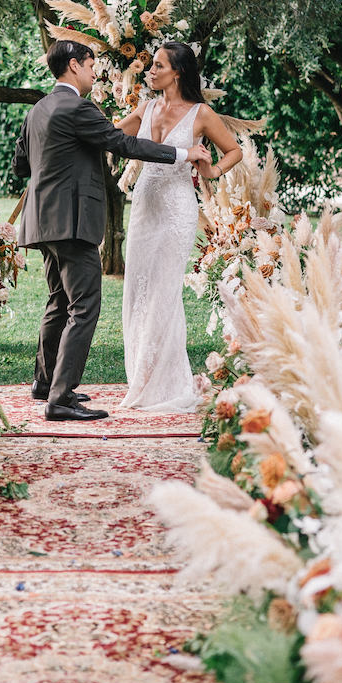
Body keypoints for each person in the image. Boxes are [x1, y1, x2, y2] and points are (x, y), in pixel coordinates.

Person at [14, 39, 211, 421]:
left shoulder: (38, 109)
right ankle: (61, 397)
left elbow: (22, 165)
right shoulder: (78, 108)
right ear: (73, 66)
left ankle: (44, 383)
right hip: (72, 220)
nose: (93, 73)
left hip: (41, 221)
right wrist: (185, 153)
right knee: (84, 306)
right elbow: (122, 143)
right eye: (90, 66)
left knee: (58, 301)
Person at [117, 42, 242, 412]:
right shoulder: (147, 107)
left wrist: (213, 170)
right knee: (137, 291)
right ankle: (141, 375)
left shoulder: (201, 114)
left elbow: (233, 150)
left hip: (176, 211)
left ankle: (158, 382)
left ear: (178, 72)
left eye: (157, 66)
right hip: (143, 206)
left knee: (164, 291)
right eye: (151, 66)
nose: (149, 72)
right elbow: (107, 134)